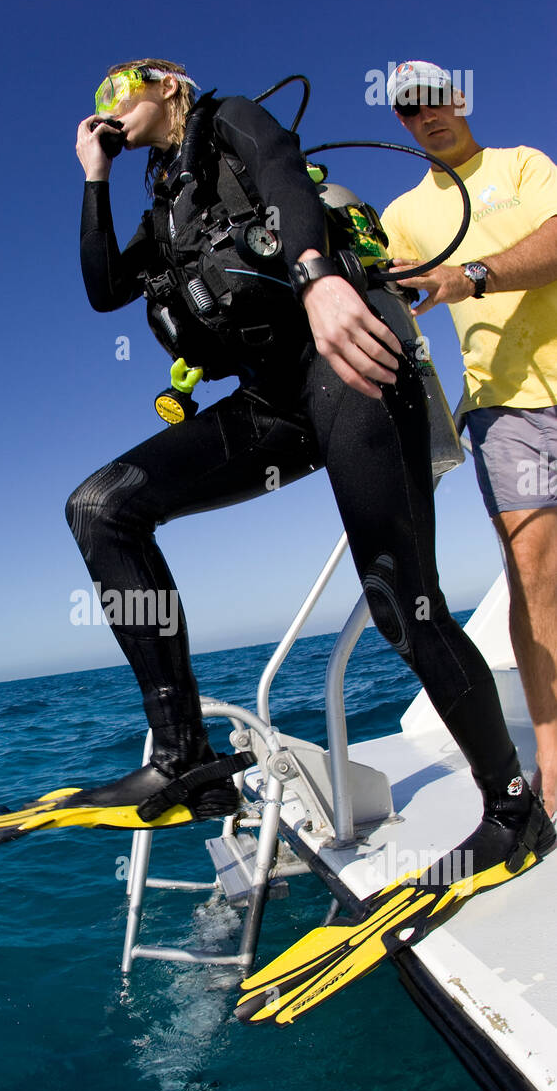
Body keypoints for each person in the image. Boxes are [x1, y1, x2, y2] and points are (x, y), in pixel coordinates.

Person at [66, 57, 553, 879]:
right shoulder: (164, 197)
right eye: (100, 101)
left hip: (350, 367)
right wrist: (96, 177)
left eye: (121, 89)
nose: (110, 106)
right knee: (101, 508)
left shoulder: (232, 120)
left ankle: (513, 810)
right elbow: (105, 287)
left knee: (403, 602)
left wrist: (322, 281)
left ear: (169, 85)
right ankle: (188, 756)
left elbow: (287, 178)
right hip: (272, 404)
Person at [380, 60, 557, 817]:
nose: (426, 117)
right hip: (504, 409)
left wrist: (470, 274)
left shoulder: (523, 165)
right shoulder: (403, 213)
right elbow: (381, 291)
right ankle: (553, 756)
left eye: (434, 101)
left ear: (459, 99)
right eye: (409, 111)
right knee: (534, 577)